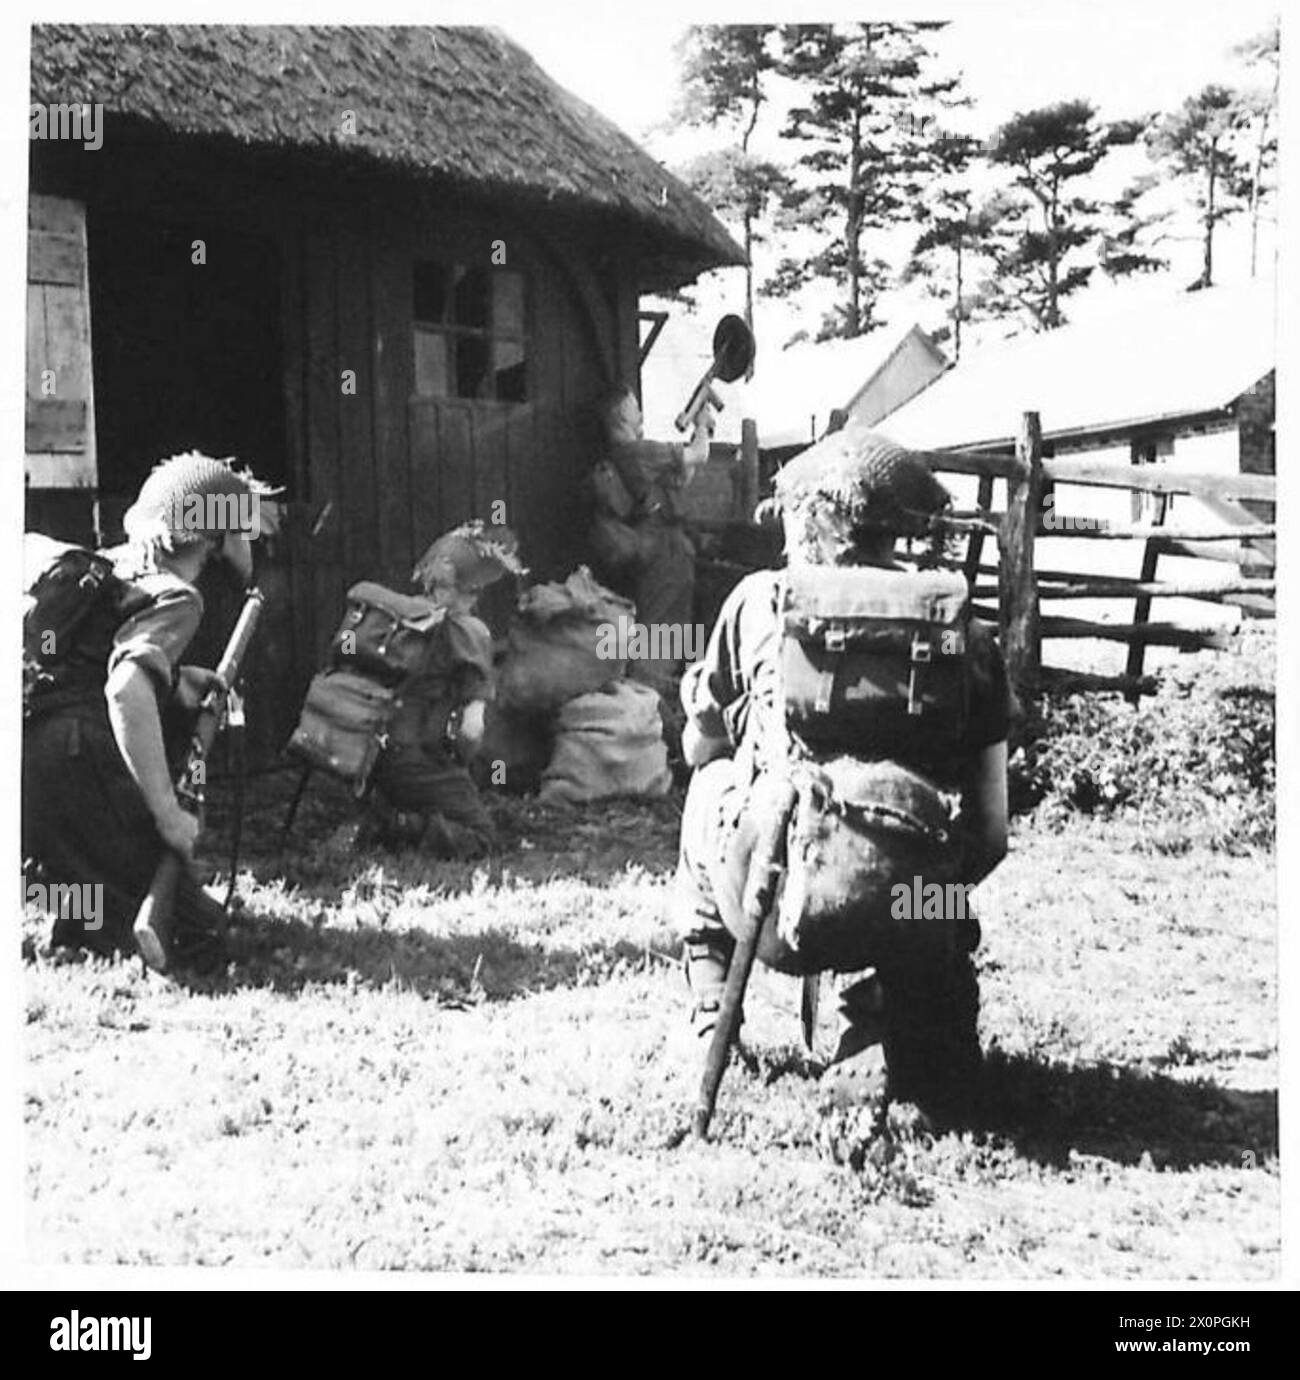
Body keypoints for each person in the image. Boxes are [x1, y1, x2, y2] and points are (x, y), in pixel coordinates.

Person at [671, 429, 1011, 1120]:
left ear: (808, 520)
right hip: (918, 912)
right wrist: (911, 890)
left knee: (709, 787)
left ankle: (712, 996)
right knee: (931, 867)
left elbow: (698, 747)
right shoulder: (963, 632)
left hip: (776, 907)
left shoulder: (759, 601)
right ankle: (888, 1005)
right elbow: (992, 835)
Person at [22, 452, 271, 969]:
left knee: (102, 889)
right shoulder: (179, 595)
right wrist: (166, 812)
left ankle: (71, 914)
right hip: (79, 756)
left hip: (32, 753)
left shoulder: (112, 567)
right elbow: (125, 690)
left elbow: (92, 663)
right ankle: (94, 919)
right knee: (199, 933)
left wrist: (176, 681)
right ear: (215, 537)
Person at [363, 522, 520, 858]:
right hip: (416, 760)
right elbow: (472, 730)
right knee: (484, 837)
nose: (476, 598)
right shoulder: (468, 632)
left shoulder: (402, 618)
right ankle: (398, 825)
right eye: (475, 590)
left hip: (370, 758)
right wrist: (459, 765)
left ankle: (388, 808)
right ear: (470, 589)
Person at [589, 388, 714, 693]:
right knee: (661, 628)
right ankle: (647, 695)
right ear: (621, 416)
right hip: (662, 552)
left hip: (655, 550)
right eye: (634, 407)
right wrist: (701, 427)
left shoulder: (628, 457)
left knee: (661, 625)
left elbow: (683, 476)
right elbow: (699, 454)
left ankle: (649, 691)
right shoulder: (637, 451)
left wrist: (701, 428)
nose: (640, 412)